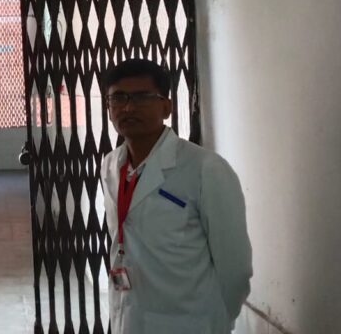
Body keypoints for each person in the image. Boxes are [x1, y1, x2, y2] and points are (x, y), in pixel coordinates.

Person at [100, 58, 252, 333]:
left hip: (190, 322)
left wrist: (216, 319)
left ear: (166, 107)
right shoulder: (111, 166)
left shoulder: (205, 169)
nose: (128, 107)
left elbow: (235, 268)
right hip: (130, 316)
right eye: (118, 98)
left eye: (142, 97)